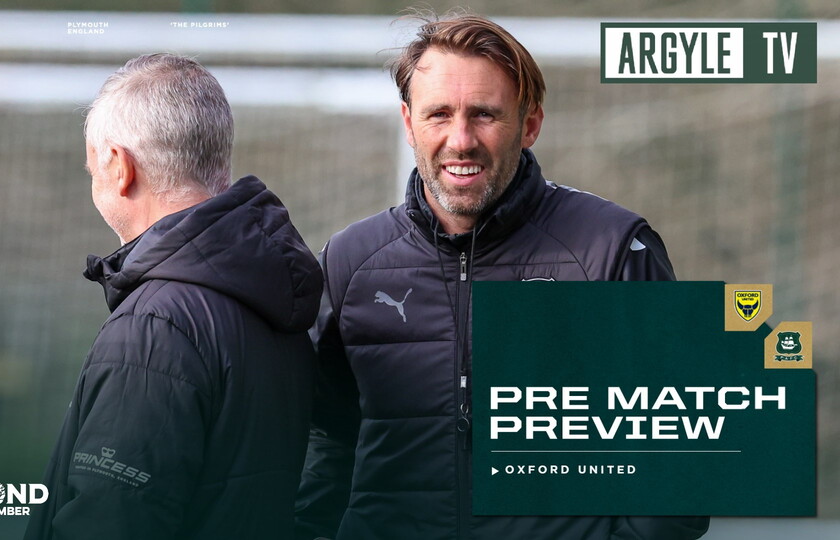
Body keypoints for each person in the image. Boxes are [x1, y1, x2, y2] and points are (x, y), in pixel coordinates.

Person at [295, 13, 709, 540]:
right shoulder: (350, 261)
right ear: (409, 122)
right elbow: (325, 438)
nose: (461, 140)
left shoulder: (612, 250)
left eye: (484, 114)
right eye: (439, 114)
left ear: (529, 124)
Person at [24, 53, 323, 540]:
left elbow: (111, 522)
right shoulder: (271, 297)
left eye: (92, 167)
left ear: (119, 166)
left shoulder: (155, 328)